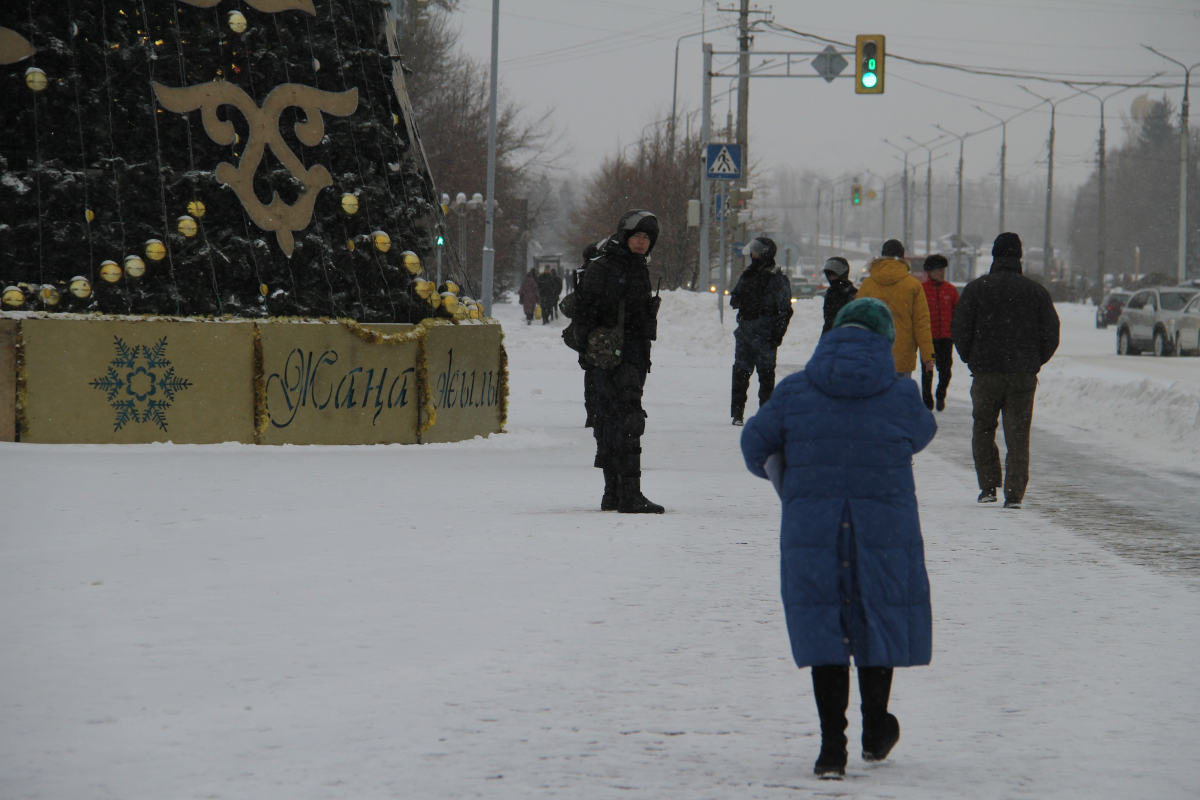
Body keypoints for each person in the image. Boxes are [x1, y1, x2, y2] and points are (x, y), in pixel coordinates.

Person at [740, 297, 936, 779]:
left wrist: (787, 474)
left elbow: (753, 444)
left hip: (813, 526)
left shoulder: (794, 391)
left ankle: (832, 748)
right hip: (884, 528)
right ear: (884, 341)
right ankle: (875, 729)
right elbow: (922, 433)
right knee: (878, 616)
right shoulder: (901, 393)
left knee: (825, 625)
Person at [951, 232, 1060, 509]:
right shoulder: (1035, 292)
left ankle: (988, 486)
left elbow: (960, 328)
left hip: (986, 372)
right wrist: (1034, 360)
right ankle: (1014, 493)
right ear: (1019, 256)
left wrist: (971, 358)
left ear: (994, 256)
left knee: (983, 428)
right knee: (1018, 433)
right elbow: (1051, 332)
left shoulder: (976, 289)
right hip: (1022, 374)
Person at [572, 209, 664, 514]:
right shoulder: (610, 267)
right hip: (615, 355)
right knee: (627, 422)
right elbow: (587, 311)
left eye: (646, 238)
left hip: (623, 355)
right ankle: (629, 495)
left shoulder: (631, 266)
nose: (641, 243)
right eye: (637, 236)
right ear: (625, 236)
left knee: (611, 423)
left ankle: (613, 493)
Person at [729, 236, 793, 425]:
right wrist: (743, 302)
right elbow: (735, 298)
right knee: (740, 374)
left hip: (765, 335)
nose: (753, 256)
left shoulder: (777, 279)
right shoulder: (748, 274)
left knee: (766, 377)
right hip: (746, 333)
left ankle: (766, 415)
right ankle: (737, 413)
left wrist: (777, 335)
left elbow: (785, 310)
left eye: (757, 252)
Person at [856, 239, 935, 378]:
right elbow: (921, 323)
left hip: (873, 355)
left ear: (882, 255)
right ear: (903, 257)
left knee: (875, 398)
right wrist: (928, 355)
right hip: (902, 358)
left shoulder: (867, 285)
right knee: (899, 397)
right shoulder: (913, 285)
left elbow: (856, 320)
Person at [920, 254, 959, 411]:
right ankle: (927, 399)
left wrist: (955, 332)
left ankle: (940, 393)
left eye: (942, 270)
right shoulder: (922, 290)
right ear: (929, 272)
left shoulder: (950, 290)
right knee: (927, 371)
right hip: (928, 338)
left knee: (946, 371)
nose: (941, 273)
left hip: (945, 338)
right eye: (937, 270)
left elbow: (957, 312)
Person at [820, 256, 857, 335]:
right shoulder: (830, 292)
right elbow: (828, 320)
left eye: (833, 275)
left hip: (846, 336)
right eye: (829, 275)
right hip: (829, 335)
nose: (831, 278)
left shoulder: (851, 293)